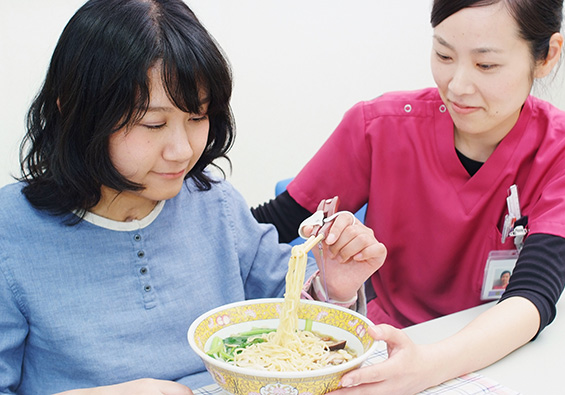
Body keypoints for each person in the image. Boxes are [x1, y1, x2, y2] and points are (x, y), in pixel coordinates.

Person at [0, 1, 387, 394]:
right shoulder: (10, 233)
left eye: (197, 117)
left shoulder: (214, 203)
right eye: (153, 123)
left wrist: (333, 289)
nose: (183, 151)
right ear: (75, 113)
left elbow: (291, 320)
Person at [252, 0, 565, 393]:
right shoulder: (379, 127)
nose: (458, 85)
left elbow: (533, 296)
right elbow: (272, 223)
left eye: (486, 65)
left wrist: (428, 367)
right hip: (383, 346)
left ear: (547, 55)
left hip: (498, 353)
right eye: (443, 54)